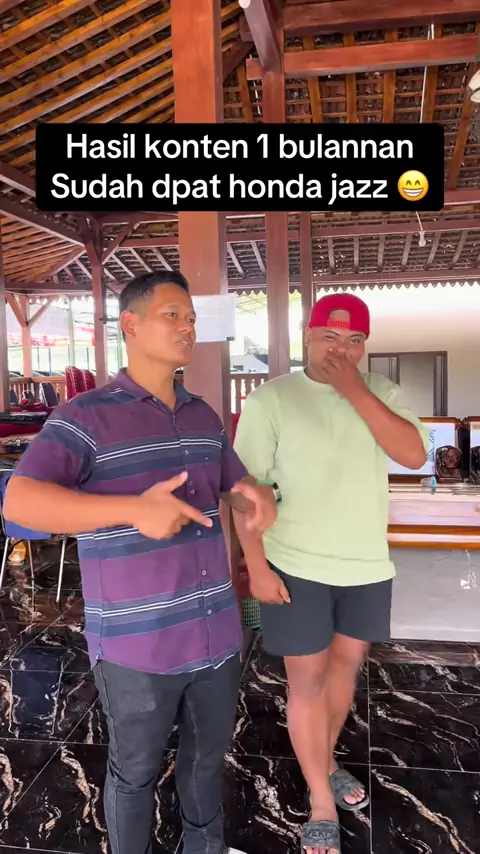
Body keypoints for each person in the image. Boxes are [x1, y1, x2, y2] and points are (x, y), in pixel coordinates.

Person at [4, 271, 280, 854]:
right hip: (138, 644)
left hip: (216, 631)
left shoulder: (203, 415)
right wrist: (133, 509)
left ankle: (204, 847)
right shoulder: (85, 416)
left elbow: (233, 483)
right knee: (134, 772)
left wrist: (254, 495)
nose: (187, 327)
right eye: (171, 315)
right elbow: (19, 502)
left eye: (191, 318)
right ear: (129, 324)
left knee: (206, 762)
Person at [232, 293, 429, 854]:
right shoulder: (271, 399)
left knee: (344, 672)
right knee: (307, 683)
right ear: (308, 337)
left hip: (365, 564)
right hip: (296, 564)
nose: (341, 349)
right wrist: (257, 567)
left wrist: (354, 389)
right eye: (330, 337)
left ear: (365, 347)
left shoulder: (382, 393)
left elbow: (414, 455)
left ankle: (325, 761)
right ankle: (320, 799)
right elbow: (245, 491)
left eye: (354, 341)